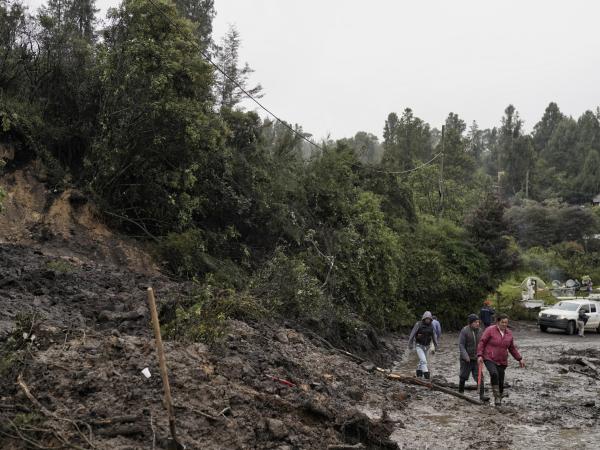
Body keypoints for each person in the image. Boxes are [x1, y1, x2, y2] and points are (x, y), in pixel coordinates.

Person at [477, 314, 525, 406]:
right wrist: (479, 355)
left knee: (501, 380)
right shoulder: (490, 330)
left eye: (506, 322)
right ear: (498, 322)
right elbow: (482, 342)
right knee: (494, 374)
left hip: (502, 360)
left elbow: (512, 348)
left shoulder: (509, 333)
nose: (504, 324)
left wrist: (519, 359)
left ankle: (499, 394)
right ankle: (497, 398)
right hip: (489, 357)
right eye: (502, 322)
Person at [458, 314, 489, 401]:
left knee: (480, 377)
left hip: (476, 358)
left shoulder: (480, 331)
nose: (477, 323)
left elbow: (483, 344)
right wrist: (465, 356)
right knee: (463, 376)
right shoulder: (464, 331)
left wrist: (482, 355)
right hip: (466, 359)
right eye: (475, 322)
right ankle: (461, 393)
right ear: (471, 323)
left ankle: (482, 396)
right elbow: (461, 345)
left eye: (478, 322)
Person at [408, 311, 439, 380]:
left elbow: (434, 336)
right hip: (419, 346)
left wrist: (436, 345)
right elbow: (412, 334)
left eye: (429, 319)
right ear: (424, 318)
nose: (428, 320)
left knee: (421, 361)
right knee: (424, 361)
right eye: (426, 318)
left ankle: (419, 375)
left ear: (431, 319)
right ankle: (427, 376)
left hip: (427, 346)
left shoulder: (432, 326)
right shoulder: (418, 324)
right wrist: (410, 344)